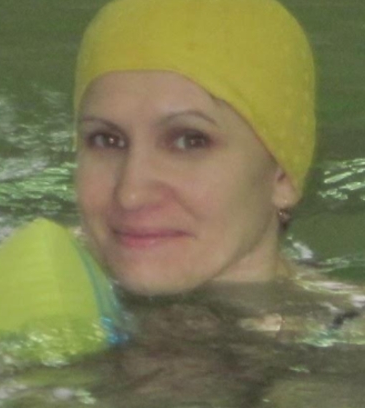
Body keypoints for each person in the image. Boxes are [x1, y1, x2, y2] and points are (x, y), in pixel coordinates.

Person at [72, 0, 315, 299]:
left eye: (190, 141)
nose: (131, 195)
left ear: (282, 175)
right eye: (106, 140)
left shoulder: (355, 325)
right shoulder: (27, 282)